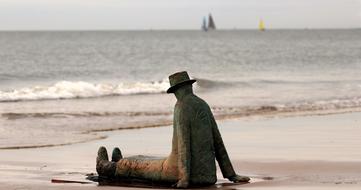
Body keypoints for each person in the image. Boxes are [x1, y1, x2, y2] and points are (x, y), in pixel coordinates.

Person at [96, 71, 250, 188]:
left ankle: (107, 167)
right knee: (146, 158)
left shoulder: (181, 107)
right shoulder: (203, 104)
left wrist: (184, 179)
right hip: (208, 176)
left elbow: (184, 145)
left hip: (180, 172)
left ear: (177, 90)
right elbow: (218, 142)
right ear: (189, 86)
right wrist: (231, 175)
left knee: (138, 165)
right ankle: (118, 160)